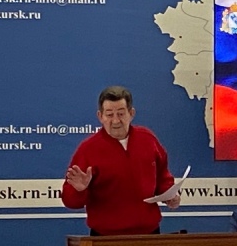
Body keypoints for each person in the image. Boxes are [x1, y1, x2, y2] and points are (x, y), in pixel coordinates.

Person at [61, 85, 180, 235]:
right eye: (109, 115)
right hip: (106, 238)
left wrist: (171, 195)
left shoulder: (148, 139)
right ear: (100, 116)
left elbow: (163, 177)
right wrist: (79, 190)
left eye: (121, 114)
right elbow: (70, 201)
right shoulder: (87, 150)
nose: (116, 120)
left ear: (131, 113)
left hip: (149, 234)